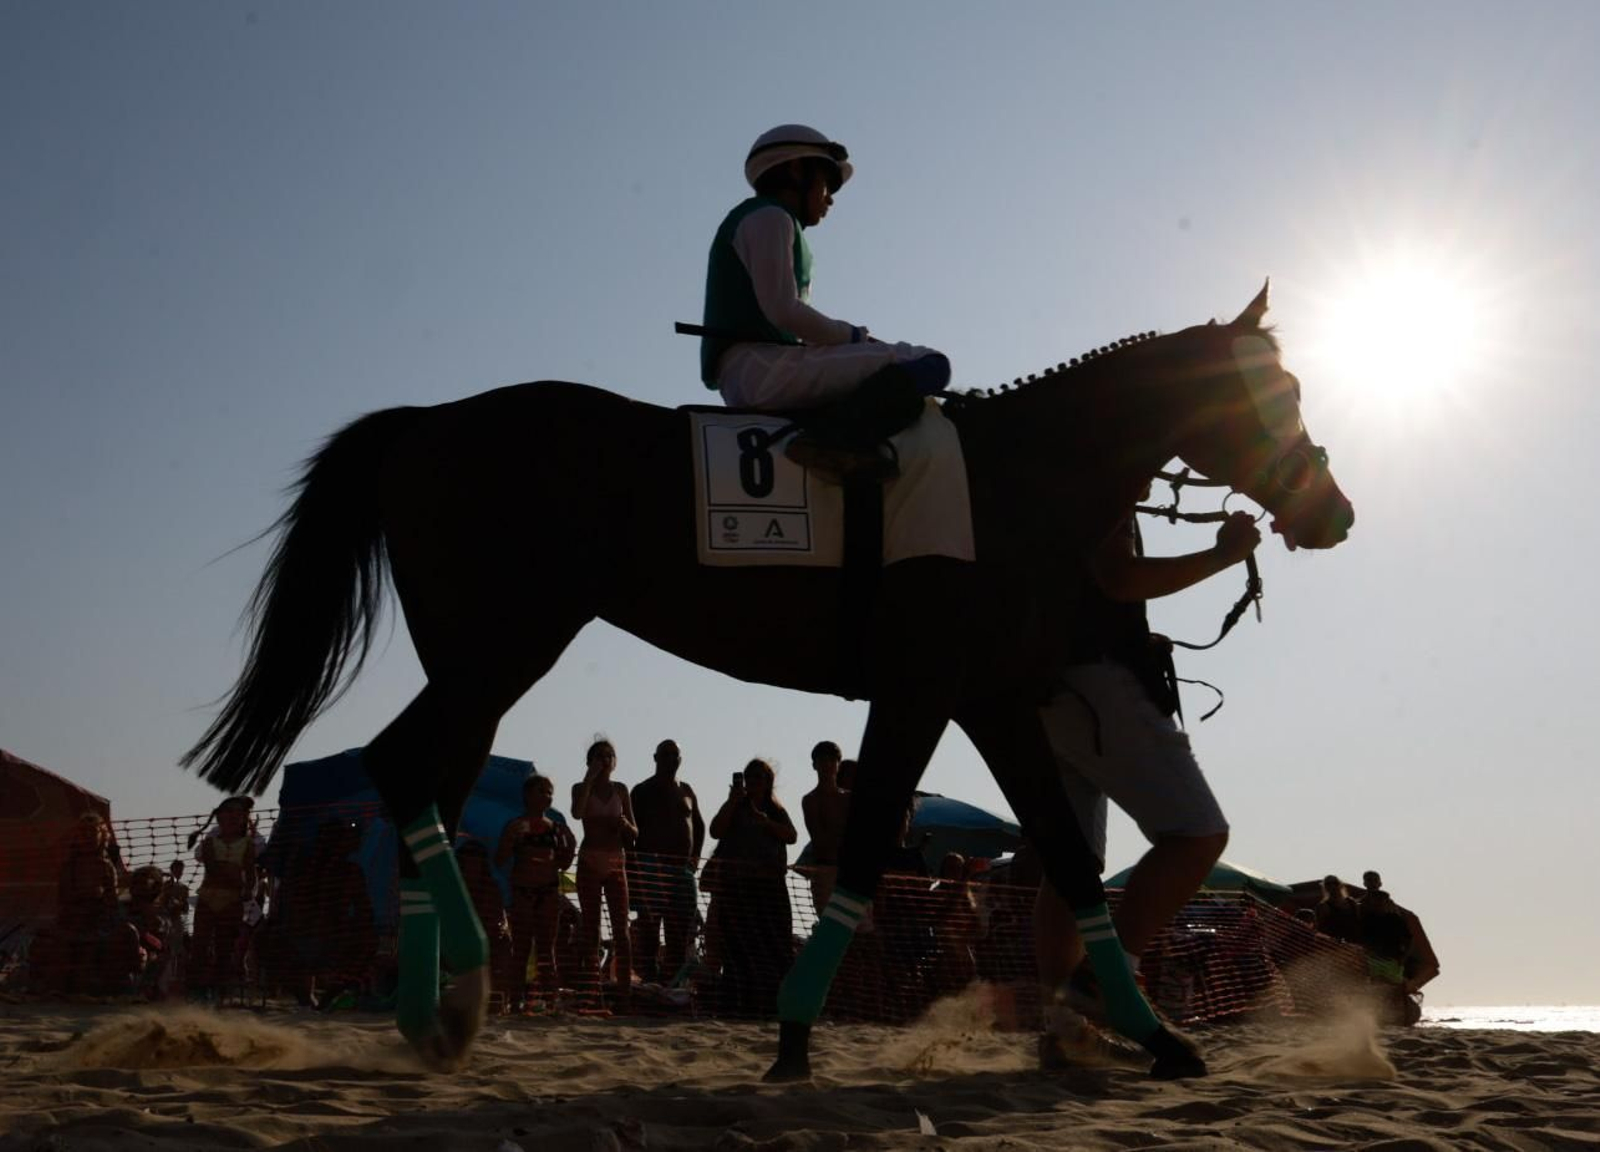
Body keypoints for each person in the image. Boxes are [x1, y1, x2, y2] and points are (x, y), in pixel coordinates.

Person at [1032, 509, 1261, 1067]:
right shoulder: (1099, 471)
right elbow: (1120, 578)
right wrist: (1223, 556)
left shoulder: (1038, 471)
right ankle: (1108, 981)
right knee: (1198, 834)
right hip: (1098, 682)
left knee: (1071, 866)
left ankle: (1062, 1027)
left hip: (1041, 684)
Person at [700, 125, 950, 414]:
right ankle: (837, 440)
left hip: (759, 369)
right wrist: (855, 337)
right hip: (763, 370)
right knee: (929, 362)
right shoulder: (770, 216)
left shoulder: (769, 219)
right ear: (796, 170)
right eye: (827, 184)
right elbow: (783, 311)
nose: (830, 198)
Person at [707, 758, 797, 1017]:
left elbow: (791, 836)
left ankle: (772, 1005)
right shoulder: (736, 806)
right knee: (737, 948)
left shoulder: (775, 810)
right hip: (738, 888)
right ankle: (738, 1005)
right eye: (751, 777)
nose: (754, 782)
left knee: (774, 948)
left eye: (760, 778)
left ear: (768, 782)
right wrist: (733, 800)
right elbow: (716, 830)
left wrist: (765, 821)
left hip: (770, 889)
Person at [497, 773, 577, 1010]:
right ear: (527, 795)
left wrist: (569, 847)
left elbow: (563, 864)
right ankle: (514, 1002)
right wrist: (511, 840)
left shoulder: (556, 829)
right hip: (523, 891)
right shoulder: (515, 825)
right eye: (541, 790)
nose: (547, 796)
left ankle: (551, 1002)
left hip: (548, 892)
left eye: (550, 791)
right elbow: (500, 859)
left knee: (546, 950)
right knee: (520, 949)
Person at [628, 740, 705, 985]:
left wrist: (695, 856)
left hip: (682, 870)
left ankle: (672, 983)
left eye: (675, 755)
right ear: (655, 757)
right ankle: (649, 979)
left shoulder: (687, 790)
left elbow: (700, 825)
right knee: (649, 929)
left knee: (681, 931)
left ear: (680, 760)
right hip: (651, 867)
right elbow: (630, 830)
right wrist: (634, 868)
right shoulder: (642, 790)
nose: (671, 759)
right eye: (666, 754)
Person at [571, 738, 638, 1011]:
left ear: (615, 761)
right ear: (590, 761)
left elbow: (635, 831)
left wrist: (624, 824)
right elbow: (576, 813)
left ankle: (624, 994)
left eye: (608, 756)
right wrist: (589, 779)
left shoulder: (621, 790)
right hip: (589, 860)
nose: (604, 761)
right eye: (598, 756)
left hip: (615, 861)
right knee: (591, 928)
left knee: (621, 930)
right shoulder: (579, 787)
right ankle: (591, 991)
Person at [190, 795, 258, 996]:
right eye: (228, 812)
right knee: (199, 945)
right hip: (208, 897)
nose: (232, 817)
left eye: (238, 813)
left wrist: (248, 890)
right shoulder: (210, 842)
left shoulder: (248, 844)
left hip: (232, 900)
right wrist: (235, 878)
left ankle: (220, 991)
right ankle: (195, 989)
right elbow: (213, 869)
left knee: (225, 947)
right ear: (219, 817)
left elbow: (250, 871)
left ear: (244, 818)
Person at [800, 740, 850, 914]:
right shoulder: (811, 800)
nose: (827, 765)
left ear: (838, 764)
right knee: (830, 926)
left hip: (849, 871)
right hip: (826, 871)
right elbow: (819, 839)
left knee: (860, 932)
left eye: (831, 760)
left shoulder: (849, 799)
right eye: (822, 760)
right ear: (815, 765)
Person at [1315, 875, 1362, 943]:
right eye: (1328, 884)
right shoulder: (1323, 907)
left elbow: (1359, 922)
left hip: (1355, 943)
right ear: (1325, 887)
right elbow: (1320, 930)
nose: (1332, 886)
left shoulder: (1351, 902)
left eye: (1335, 883)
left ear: (1340, 885)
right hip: (1337, 946)